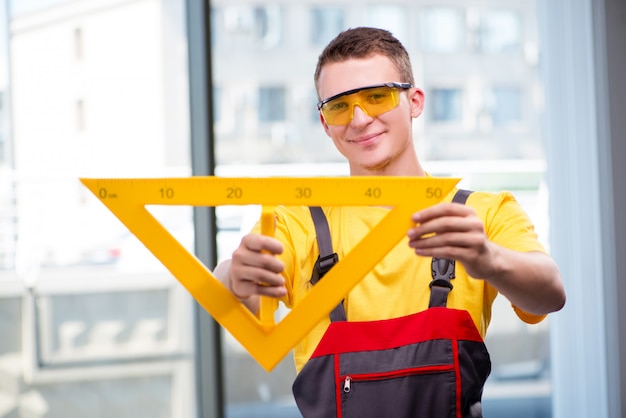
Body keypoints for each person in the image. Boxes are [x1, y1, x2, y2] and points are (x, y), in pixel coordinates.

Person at [214, 26, 566, 414]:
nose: (360, 119)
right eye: (339, 106)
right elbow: (236, 287)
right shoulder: (302, 222)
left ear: (414, 101)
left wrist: (488, 259)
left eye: (377, 97)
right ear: (324, 123)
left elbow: (550, 294)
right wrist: (234, 274)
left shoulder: (480, 213)